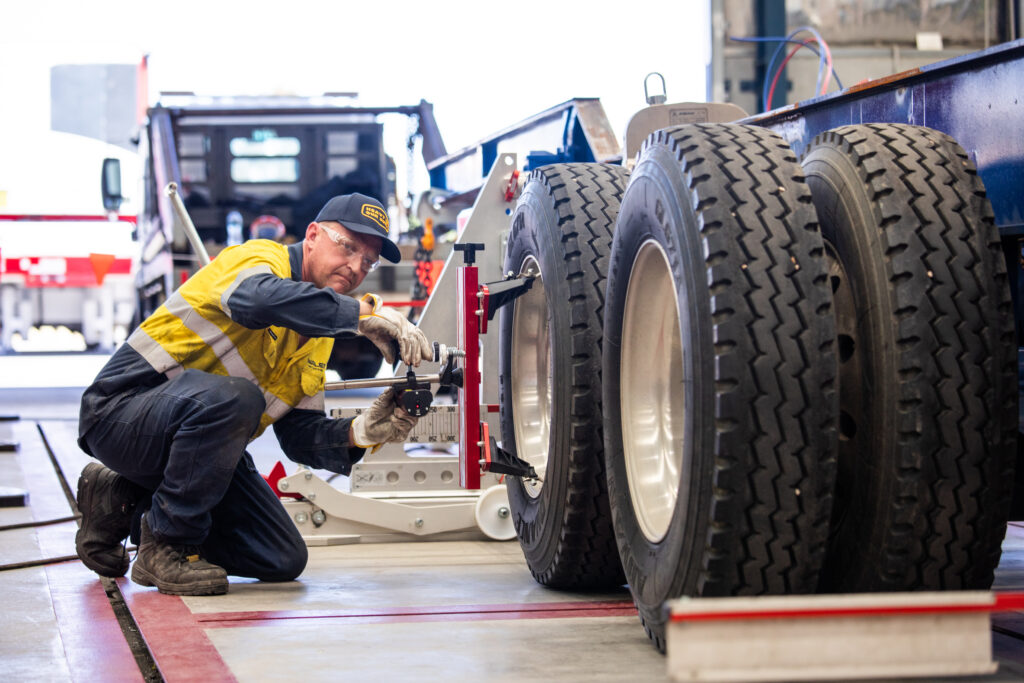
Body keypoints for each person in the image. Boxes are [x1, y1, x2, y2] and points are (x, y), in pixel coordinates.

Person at [74, 193, 432, 596]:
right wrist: (360, 316)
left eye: (367, 261)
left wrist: (362, 431)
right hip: (119, 412)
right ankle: (167, 545)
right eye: (347, 247)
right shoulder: (261, 258)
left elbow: (298, 435)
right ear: (312, 235)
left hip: (193, 444)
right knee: (239, 397)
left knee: (280, 557)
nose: (354, 267)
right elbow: (256, 299)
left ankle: (122, 496)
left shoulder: (316, 336)